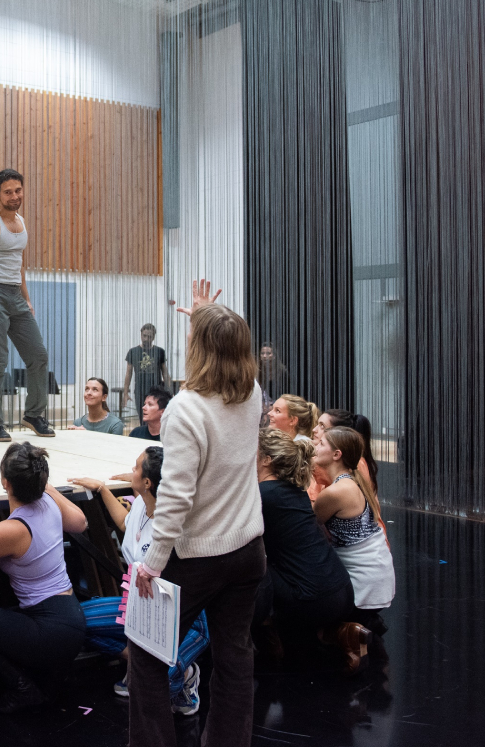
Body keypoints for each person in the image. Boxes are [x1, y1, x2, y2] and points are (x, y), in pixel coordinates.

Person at [130, 280, 266, 747]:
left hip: (200, 557)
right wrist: (208, 317)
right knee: (234, 658)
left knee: (146, 654)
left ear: (199, 350)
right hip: (249, 550)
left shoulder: (184, 409)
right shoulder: (252, 393)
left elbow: (176, 497)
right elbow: (225, 347)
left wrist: (152, 562)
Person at [0, 444, 87, 713]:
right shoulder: (49, 502)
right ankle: (40, 674)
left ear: (5, 483)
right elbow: (80, 522)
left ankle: (22, 687)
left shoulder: (13, 530)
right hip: (69, 618)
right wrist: (47, 487)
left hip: (51, 632)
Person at [70, 448, 208, 716]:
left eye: (135, 468)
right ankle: (137, 661)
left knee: (156, 686)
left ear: (148, 482)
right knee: (75, 623)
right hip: (140, 606)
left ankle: (184, 679)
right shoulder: (143, 506)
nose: (130, 471)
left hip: (183, 618)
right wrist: (101, 489)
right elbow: (125, 523)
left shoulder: (176, 524)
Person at [254, 429, 366, 669]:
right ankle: (340, 634)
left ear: (266, 460)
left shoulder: (261, 495)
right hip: (342, 589)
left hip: (312, 599)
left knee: (250, 561)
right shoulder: (294, 491)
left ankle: (267, 637)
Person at [0, 169, 53, 442]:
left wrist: (26, 298)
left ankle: (34, 415)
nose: (15, 196)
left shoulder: (22, 222)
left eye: (18, 191)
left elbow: (19, 263)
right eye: (8, 192)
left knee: (38, 355)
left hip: (16, 295)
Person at [312, 426, 395, 632]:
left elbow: (306, 527)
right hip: (377, 585)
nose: (315, 446)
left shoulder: (336, 492)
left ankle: (347, 632)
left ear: (336, 454)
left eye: (321, 443)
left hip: (363, 590)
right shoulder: (353, 482)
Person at [308, 409, 378, 500]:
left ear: (337, 432)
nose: (314, 430)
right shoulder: (323, 458)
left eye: (322, 426)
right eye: (318, 424)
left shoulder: (357, 463)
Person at [122, 323, 171, 422]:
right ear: (141, 334)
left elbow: (165, 373)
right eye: (144, 336)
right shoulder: (133, 352)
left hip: (156, 391)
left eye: (149, 337)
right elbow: (128, 374)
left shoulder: (160, 351)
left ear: (153, 337)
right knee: (143, 418)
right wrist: (125, 393)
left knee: (157, 418)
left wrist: (170, 392)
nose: (146, 339)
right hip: (140, 391)